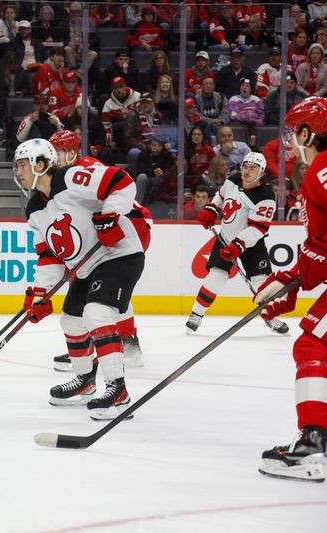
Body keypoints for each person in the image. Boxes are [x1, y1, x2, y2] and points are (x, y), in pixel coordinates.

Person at [14, 137, 145, 419]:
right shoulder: (34, 209)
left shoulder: (71, 177)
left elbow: (121, 181)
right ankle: (85, 381)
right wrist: (40, 294)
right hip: (87, 267)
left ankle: (118, 390)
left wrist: (110, 215)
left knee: (97, 312)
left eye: (22, 165)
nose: (18, 171)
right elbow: (49, 255)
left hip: (118, 255)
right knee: (71, 320)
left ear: (40, 164)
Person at [251, 96, 327, 482]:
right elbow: (320, 249)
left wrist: (299, 276)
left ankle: (313, 445)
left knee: (313, 344)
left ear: (306, 131)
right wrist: (289, 281)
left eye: (293, 133)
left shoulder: (322, 170)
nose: (291, 142)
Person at [186, 151, 287, 335]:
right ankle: (196, 314)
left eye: (253, 168)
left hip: (252, 245)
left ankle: (270, 316)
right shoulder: (233, 178)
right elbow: (221, 196)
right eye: (245, 167)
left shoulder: (265, 196)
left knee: (262, 283)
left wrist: (239, 245)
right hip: (225, 238)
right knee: (216, 278)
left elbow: (258, 228)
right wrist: (212, 209)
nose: (247, 171)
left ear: (261, 172)